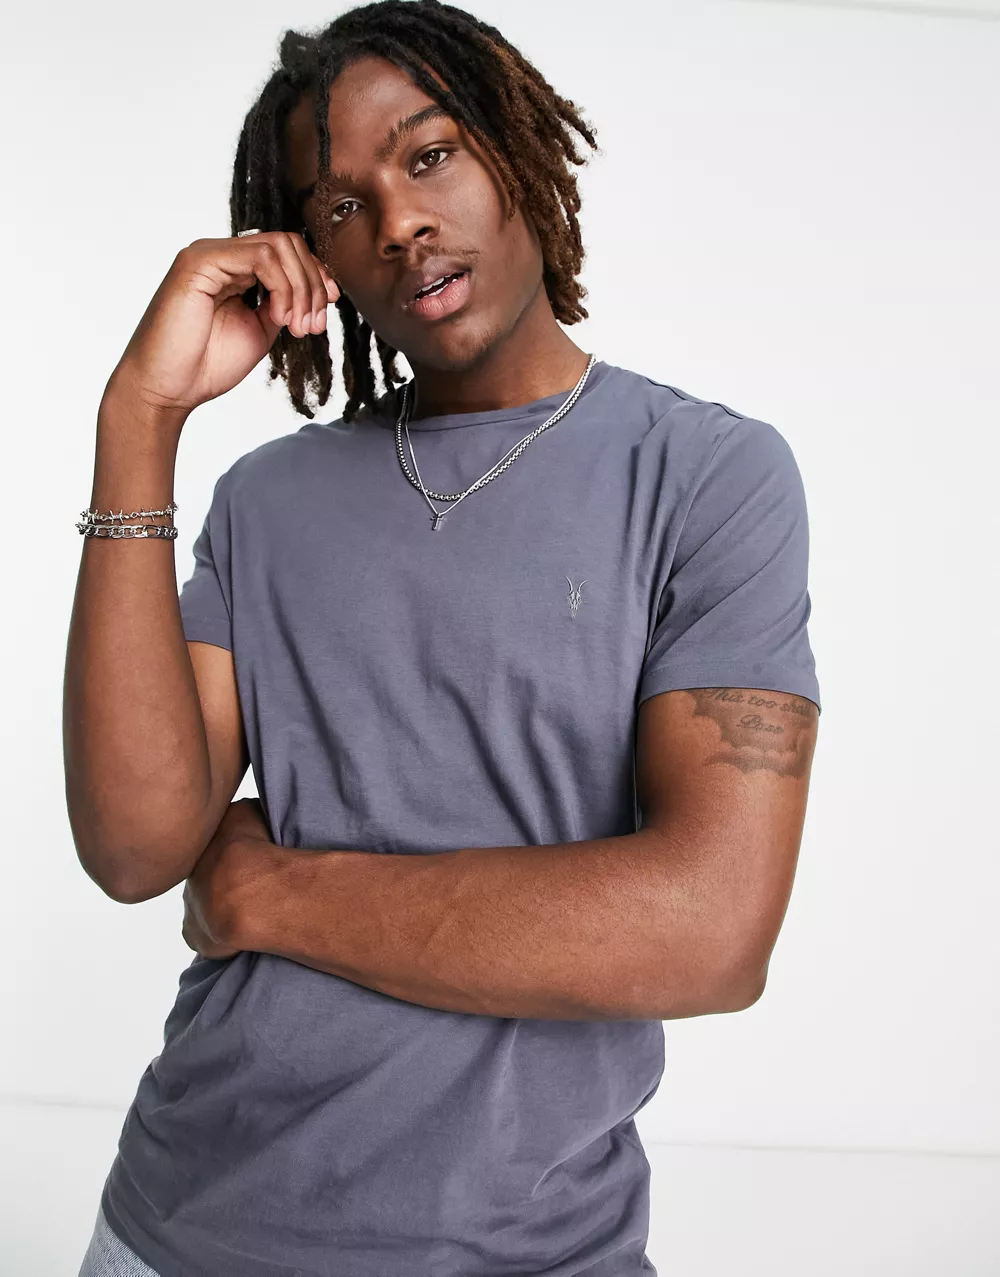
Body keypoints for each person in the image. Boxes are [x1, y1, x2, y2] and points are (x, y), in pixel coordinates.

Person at [65, 2, 822, 1274]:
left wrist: (273, 890)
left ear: (516, 152)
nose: (400, 221)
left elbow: (710, 928)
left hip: (528, 1247)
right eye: (343, 204)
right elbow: (138, 848)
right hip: (181, 1224)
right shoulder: (267, 499)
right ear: (315, 260)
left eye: (429, 156)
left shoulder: (706, 475)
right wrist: (139, 417)